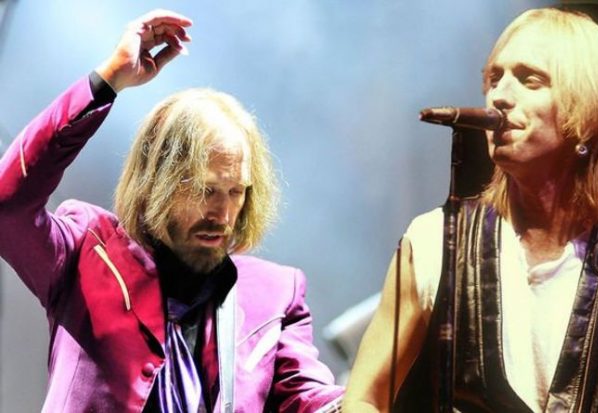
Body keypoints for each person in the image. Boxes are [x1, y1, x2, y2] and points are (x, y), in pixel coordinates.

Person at [343, 7, 598, 413]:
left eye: (530, 80)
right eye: (494, 79)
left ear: (588, 111)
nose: (500, 96)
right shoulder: (434, 240)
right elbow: (363, 397)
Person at [0, 9, 343, 413]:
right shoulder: (87, 252)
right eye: (205, 190)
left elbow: (312, 400)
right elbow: (8, 205)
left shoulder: (275, 292)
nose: (223, 213)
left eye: (236, 191)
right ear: (157, 180)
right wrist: (108, 80)